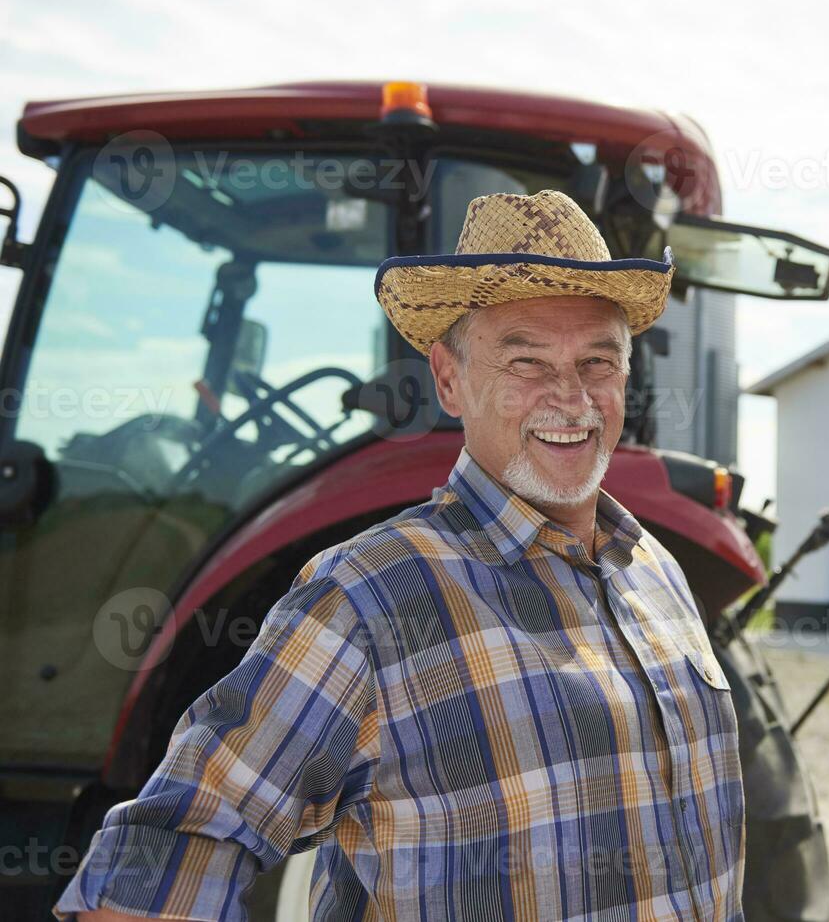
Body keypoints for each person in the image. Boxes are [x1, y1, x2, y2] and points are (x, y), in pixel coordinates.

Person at [58, 190, 745, 921]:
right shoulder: (370, 597)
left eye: (598, 362)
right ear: (449, 379)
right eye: (526, 362)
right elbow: (171, 858)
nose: (571, 397)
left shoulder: (654, 573)